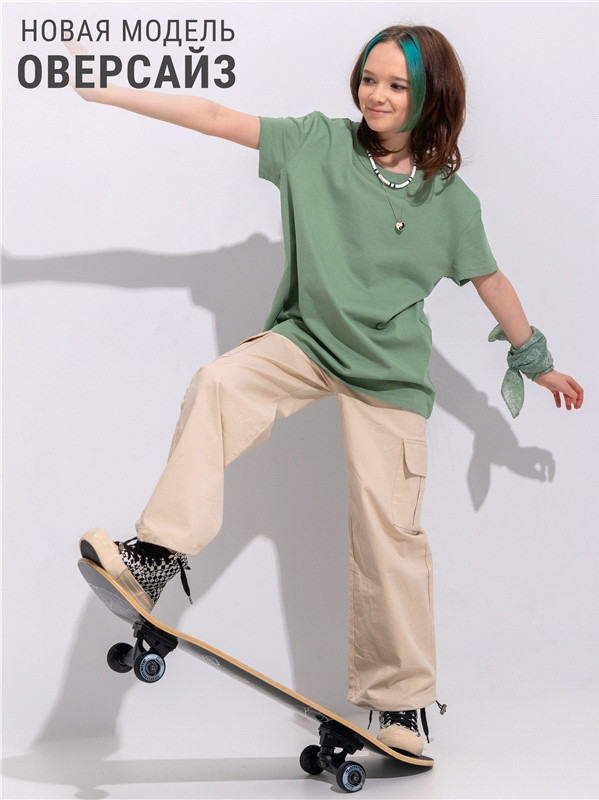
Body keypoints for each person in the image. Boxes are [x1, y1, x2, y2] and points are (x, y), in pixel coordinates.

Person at [74, 25, 583, 756]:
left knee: (389, 535)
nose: (375, 95)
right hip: (307, 343)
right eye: (369, 78)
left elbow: (490, 279)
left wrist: (535, 360)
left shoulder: (452, 202)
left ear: (431, 97)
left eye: (396, 85)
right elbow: (213, 116)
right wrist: (109, 92)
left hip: (389, 376)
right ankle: (155, 556)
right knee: (219, 383)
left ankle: (401, 705)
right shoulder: (316, 143)